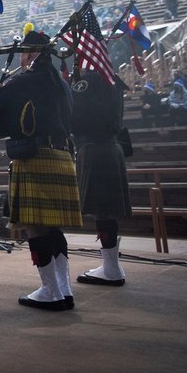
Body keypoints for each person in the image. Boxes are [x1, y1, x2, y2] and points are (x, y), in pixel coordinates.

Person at [0, 24, 81, 311]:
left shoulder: (24, 81)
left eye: (25, 52)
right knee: (54, 228)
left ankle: (49, 291)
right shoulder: (62, 84)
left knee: (36, 227)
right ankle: (64, 289)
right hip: (62, 155)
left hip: (35, 156)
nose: (22, 58)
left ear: (33, 53)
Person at [72, 68, 132, 287]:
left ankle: (111, 269)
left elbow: (75, 115)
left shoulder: (88, 80)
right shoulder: (112, 78)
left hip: (94, 147)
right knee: (106, 212)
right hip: (112, 146)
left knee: (102, 210)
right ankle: (111, 265)